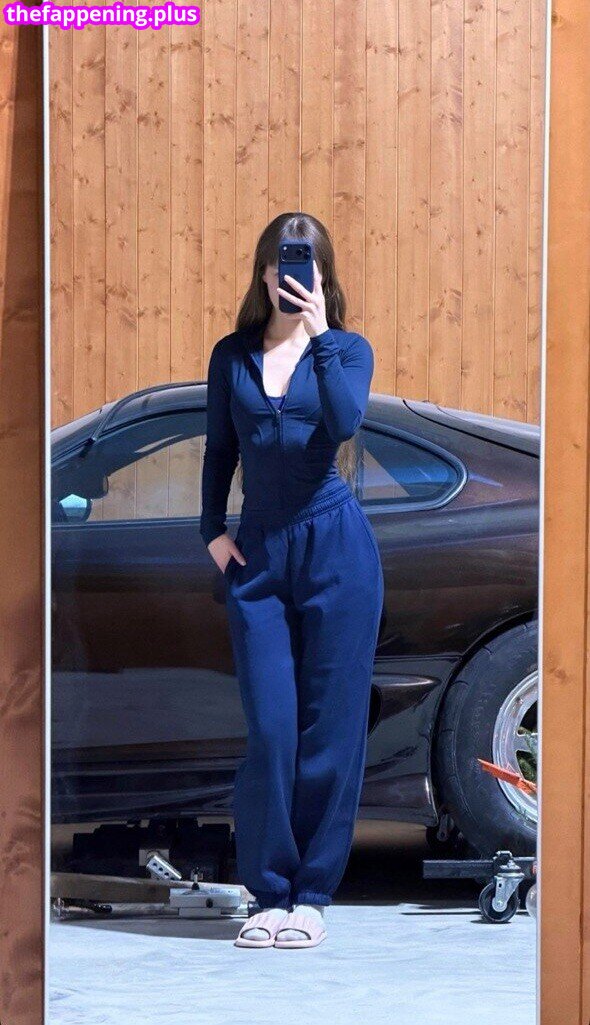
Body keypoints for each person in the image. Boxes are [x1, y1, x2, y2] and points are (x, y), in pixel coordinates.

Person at [200, 212, 384, 949]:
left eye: (306, 263)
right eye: (282, 261)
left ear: (323, 274)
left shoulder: (346, 350)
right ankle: (268, 892)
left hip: (337, 548)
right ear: (264, 271)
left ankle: (310, 896)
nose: (292, 274)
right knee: (272, 729)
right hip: (259, 556)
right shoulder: (232, 354)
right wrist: (211, 531)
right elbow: (219, 448)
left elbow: (345, 420)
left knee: (330, 730)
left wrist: (318, 334)